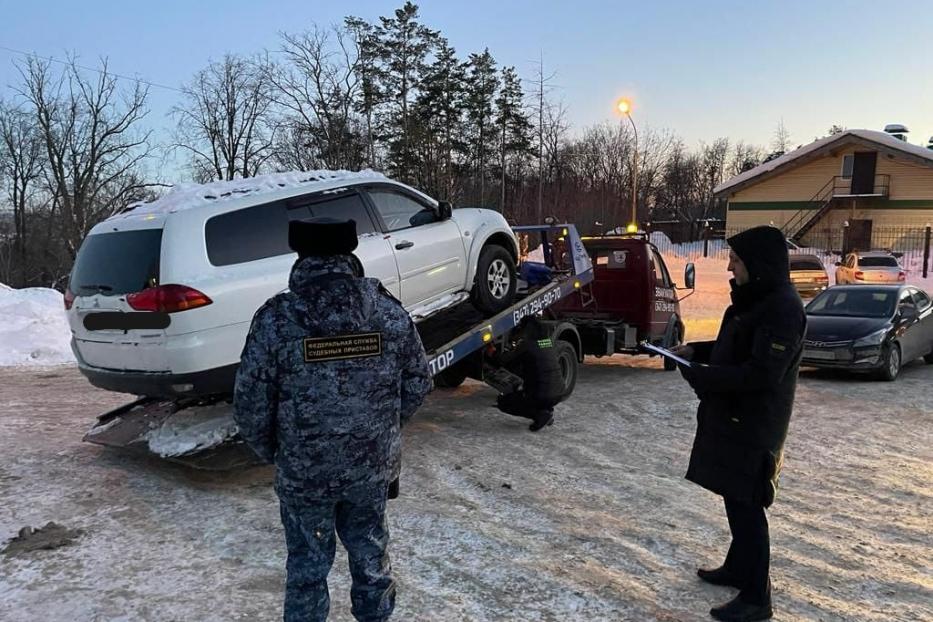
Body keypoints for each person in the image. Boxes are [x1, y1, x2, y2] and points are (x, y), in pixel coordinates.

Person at [233, 217, 433, 622]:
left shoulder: (275, 319)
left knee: (307, 568)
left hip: (305, 474)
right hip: (370, 469)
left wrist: (277, 451)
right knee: (371, 560)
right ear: (350, 252)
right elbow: (419, 380)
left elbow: (251, 403)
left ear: (300, 254)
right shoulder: (387, 314)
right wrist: (382, 430)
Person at [671, 226, 806, 622]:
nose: (730, 266)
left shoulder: (782, 308)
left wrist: (703, 375)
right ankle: (737, 567)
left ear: (759, 265)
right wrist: (698, 350)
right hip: (734, 416)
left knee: (748, 506)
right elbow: (735, 348)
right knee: (734, 496)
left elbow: (762, 374)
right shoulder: (755, 301)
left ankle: (756, 597)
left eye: (737, 260)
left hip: (755, 424)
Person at [496, 315, 564, 431]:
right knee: (541, 382)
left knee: (503, 402)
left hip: (541, 395)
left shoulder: (526, 345)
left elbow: (504, 361)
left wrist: (492, 352)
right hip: (559, 392)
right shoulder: (547, 342)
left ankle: (540, 415)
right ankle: (547, 411)